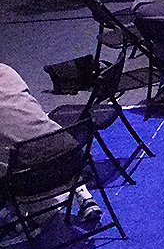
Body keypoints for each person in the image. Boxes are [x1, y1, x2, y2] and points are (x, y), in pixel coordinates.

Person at [0, 60, 102, 222]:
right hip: (74, 159)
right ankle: (83, 194)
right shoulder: (7, 71)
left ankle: (21, 219)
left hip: (30, 179)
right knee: (39, 128)